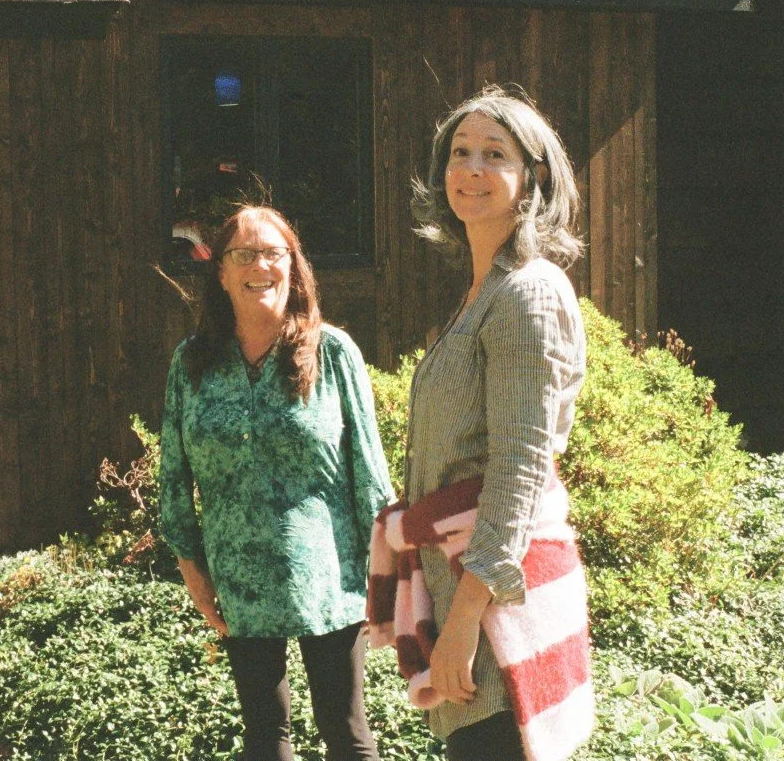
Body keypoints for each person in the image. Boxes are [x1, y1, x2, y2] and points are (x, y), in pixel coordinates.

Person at [370, 87, 594, 761]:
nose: (470, 168)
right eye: (459, 152)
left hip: (499, 605)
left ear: (535, 178)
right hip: (468, 586)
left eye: (494, 155)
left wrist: (466, 618)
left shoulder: (527, 289)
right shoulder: (484, 291)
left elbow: (522, 464)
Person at [159, 205, 395, 761]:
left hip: (330, 577)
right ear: (220, 272)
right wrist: (193, 571)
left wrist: (388, 578)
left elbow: (371, 475)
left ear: (294, 267)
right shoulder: (192, 362)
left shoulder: (333, 353)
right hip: (237, 576)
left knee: (347, 733)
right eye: (244, 253)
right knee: (265, 741)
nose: (259, 265)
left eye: (273, 253)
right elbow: (174, 476)